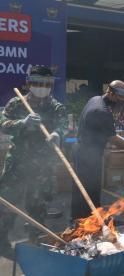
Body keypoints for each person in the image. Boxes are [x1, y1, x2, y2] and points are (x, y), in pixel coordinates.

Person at [0, 66, 67, 254]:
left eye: (47, 84)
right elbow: (3, 124)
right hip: (18, 163)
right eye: (38, 83)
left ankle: (34, 241)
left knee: (38, 205)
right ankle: (2, 240)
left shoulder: (55, 106)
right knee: (8, 203)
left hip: (42, 165)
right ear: (29, 83)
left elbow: (63, 124)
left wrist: (56, 133)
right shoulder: (16, 103)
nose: (42, 87)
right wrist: (23, 123)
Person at [72, 80, 124, 220]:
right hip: (88, 155)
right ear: (110, 93)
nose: (123, 102)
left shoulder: (95, 99)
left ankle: (87, 218)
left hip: (83, 150)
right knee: (88, 189)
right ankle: (86, 220)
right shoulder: (102, 111)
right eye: (121, 98)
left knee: (86, 188)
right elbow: (113, 138)